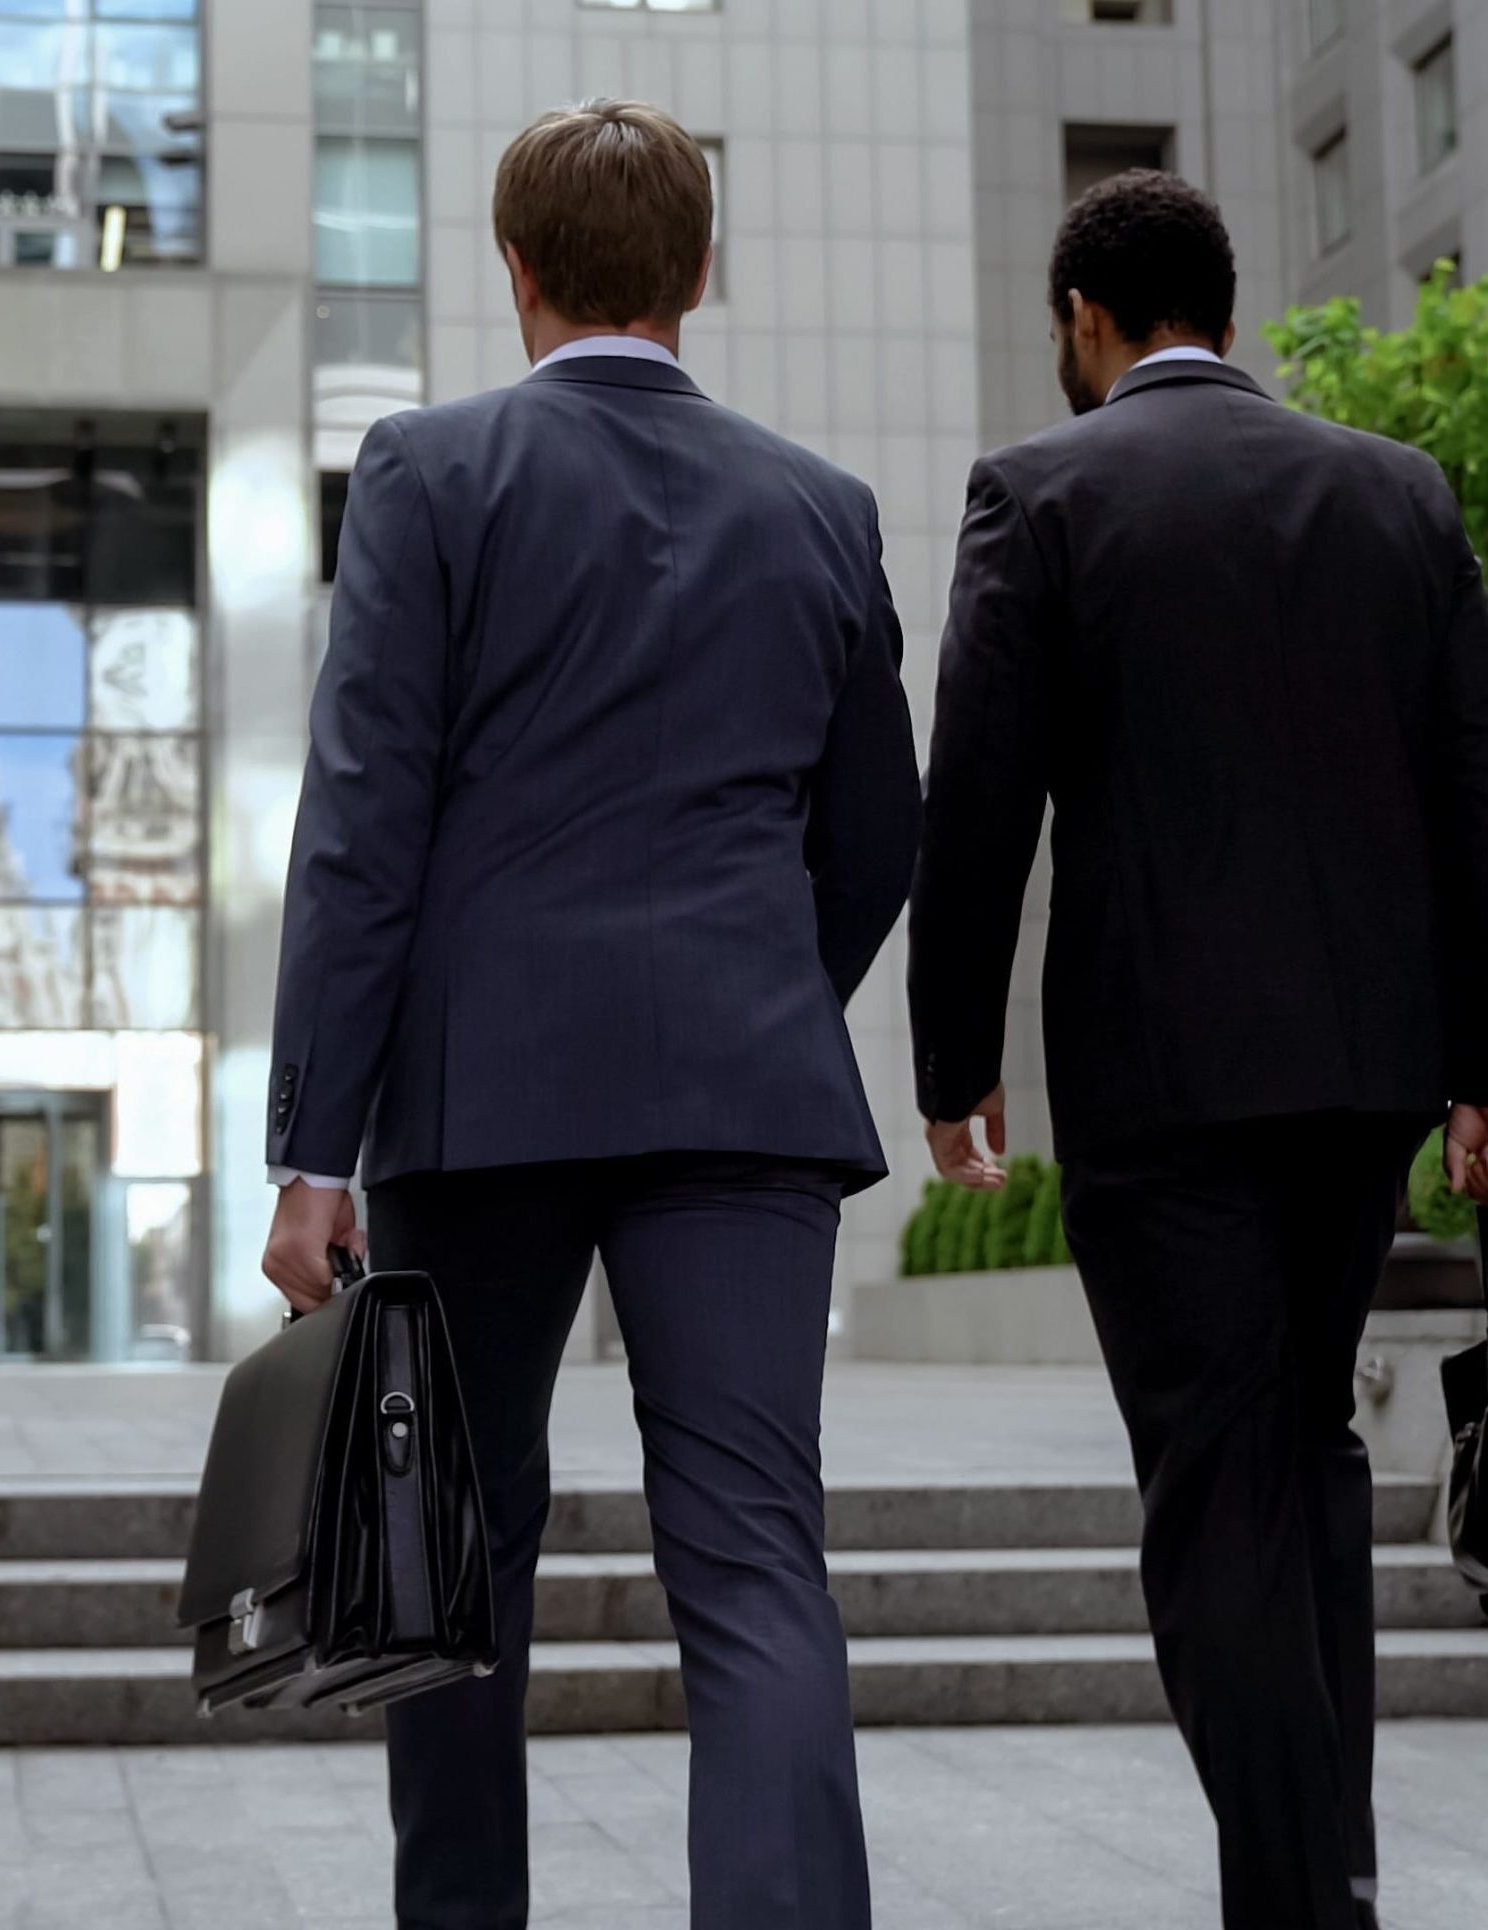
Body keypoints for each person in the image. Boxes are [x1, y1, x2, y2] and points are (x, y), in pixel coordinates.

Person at [260, 100, 920, 1930]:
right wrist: (769, 992)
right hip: (748, 1088)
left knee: (448, 1552)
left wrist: (315, 1148)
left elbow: (362, 825)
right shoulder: (822, 505)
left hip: (486, 1099)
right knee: (757, 1563)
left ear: (519, 270)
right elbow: (879, 829)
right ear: (702, 273)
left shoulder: (427, 471)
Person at [907, 169, 1488, 1930]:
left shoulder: (1036, 491)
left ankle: (1299, 1901)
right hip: (1363, 1079)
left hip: (1157, 1082)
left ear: (1087, 323)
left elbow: (978, 799)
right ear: (1229, 309)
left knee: (1213, 1478)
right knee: (1304, 1455)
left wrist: (951, 1056)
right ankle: (1320, 1870)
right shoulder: (1397, 493)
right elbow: (1482, 784)